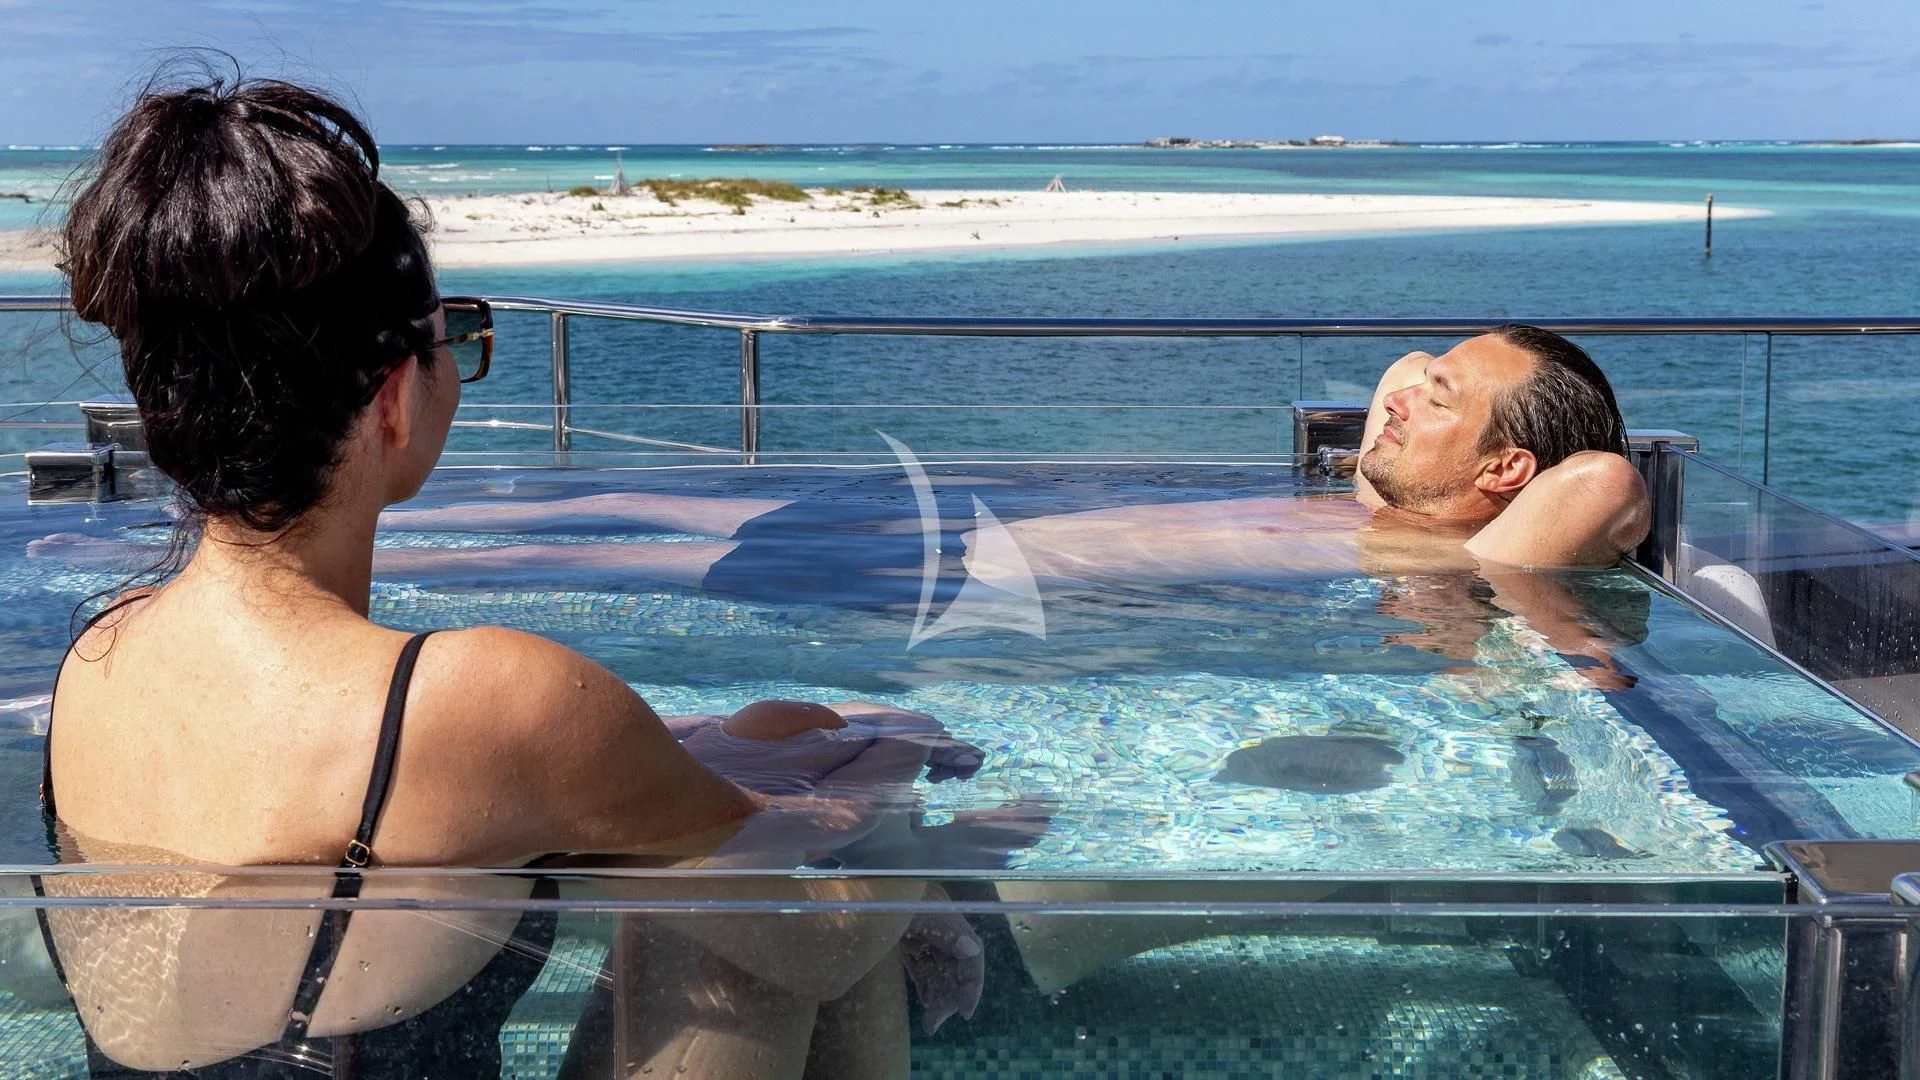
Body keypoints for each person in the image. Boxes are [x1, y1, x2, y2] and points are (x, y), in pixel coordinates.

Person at [33, 67, 989, 1078]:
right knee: (763, 934)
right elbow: (811, 943)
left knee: (768, 754)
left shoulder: (101, 650)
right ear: (396, 395)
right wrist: (896, 812)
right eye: (460, 338)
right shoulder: (490, 701)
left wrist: (752, 747)